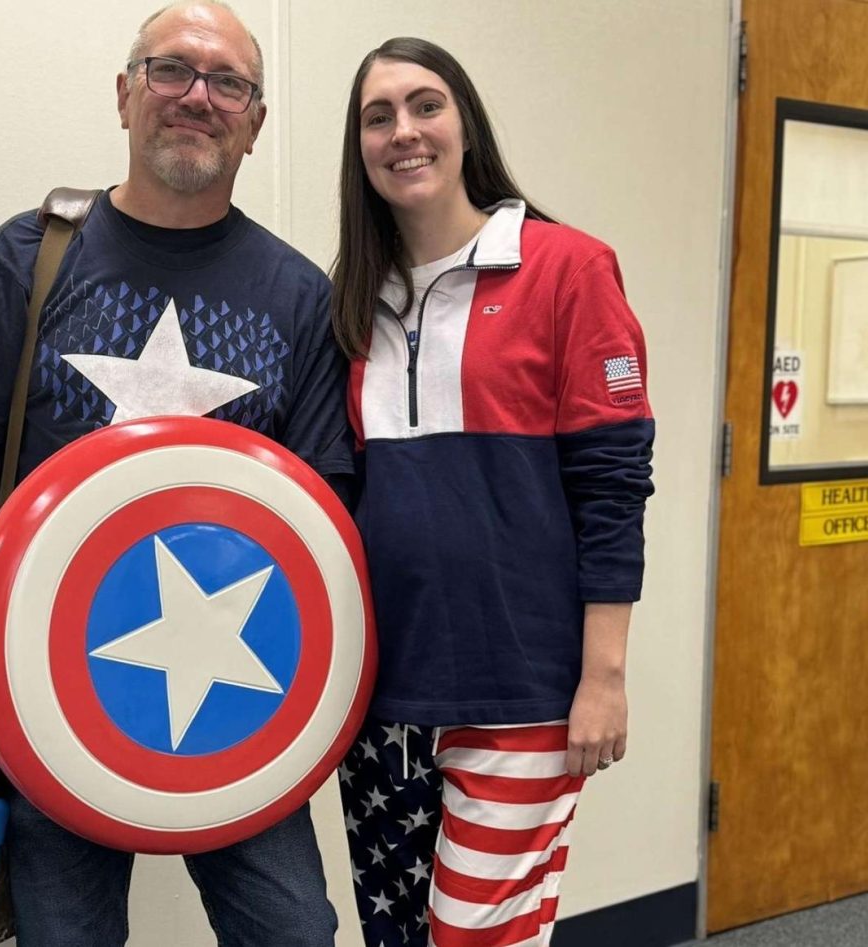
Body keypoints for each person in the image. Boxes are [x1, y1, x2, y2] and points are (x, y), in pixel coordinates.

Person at [0, 3, 350, 944]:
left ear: (256, 122)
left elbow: (325, 516)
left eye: (228, 82)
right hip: (43, 685)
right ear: (125, 95)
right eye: (171, 71)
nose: (198, 97)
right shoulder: (30, 257)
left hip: (244, 679)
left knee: (294, 932)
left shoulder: (298, 296)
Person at [329, 37, 655, 947]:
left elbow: (613, 482)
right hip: (380, 699)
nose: (405, 130)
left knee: (480, 939)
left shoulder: (567, 268)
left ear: (464, 122)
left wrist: (605, 676)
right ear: (358, 147)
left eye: (425, 104)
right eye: (378, 115)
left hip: (521, 688)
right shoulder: (352, 298)